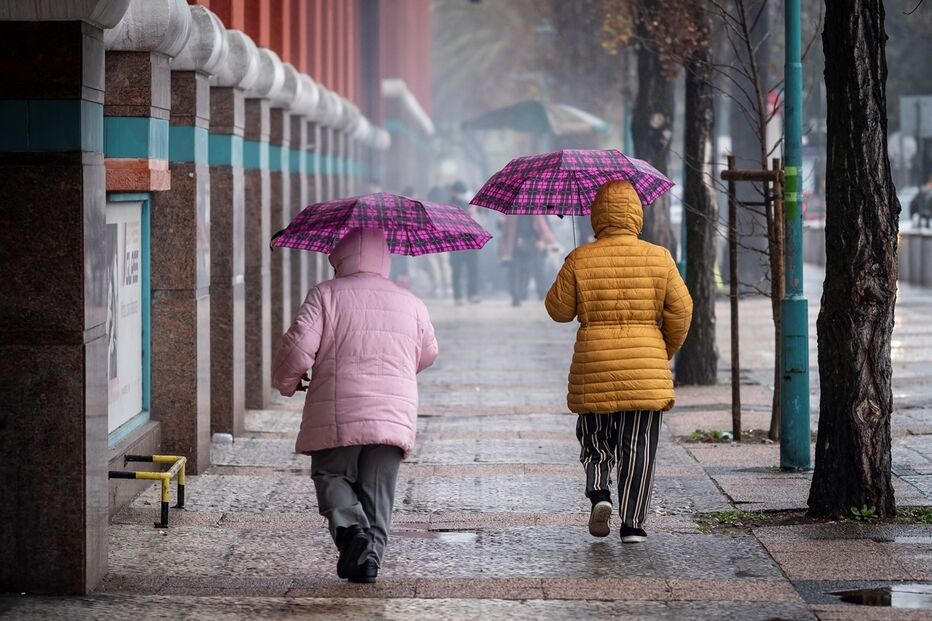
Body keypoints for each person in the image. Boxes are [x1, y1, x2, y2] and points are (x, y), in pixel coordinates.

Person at [272, 228, 438, 583]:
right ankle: (368, 563)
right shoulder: (410, 301)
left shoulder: (325, 295)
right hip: (393, 413)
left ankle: (351, 530)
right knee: (378, 493)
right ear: (385, 257)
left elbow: (297, 349)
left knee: (332, 475)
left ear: (340, 256)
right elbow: (427, 354)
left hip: (338, 409)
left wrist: (287, 381)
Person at [545, 180, 692, 544]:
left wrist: (572, 264)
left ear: (596, 216)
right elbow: (682, 310)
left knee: (595, 437)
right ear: (636, 215)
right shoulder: (659, 257)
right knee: (638, 446)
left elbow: (558, 311)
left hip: (594, 365)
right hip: (645, 368)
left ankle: (600, 493)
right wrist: (662, 351)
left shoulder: (581, 257)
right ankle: (633, 525)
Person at [499, 214, 560, 307]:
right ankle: (517, 296)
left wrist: (544, 241)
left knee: (530, 269)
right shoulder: (511, 212)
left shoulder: (536, 211)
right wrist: (500, 222)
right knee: (514, 270)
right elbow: (504, 228)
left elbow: (543, 226)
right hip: (514, 243)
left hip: (532, 243)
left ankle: (532, 293)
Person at [447, 180, 482, 305]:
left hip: (471, 242)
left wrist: (474, 211)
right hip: (456, 243)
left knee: (473, 269)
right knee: (457, 271)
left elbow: (480, 222)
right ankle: (458, 296)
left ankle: (472, 294)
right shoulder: (450, 205)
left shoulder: (471, 204)